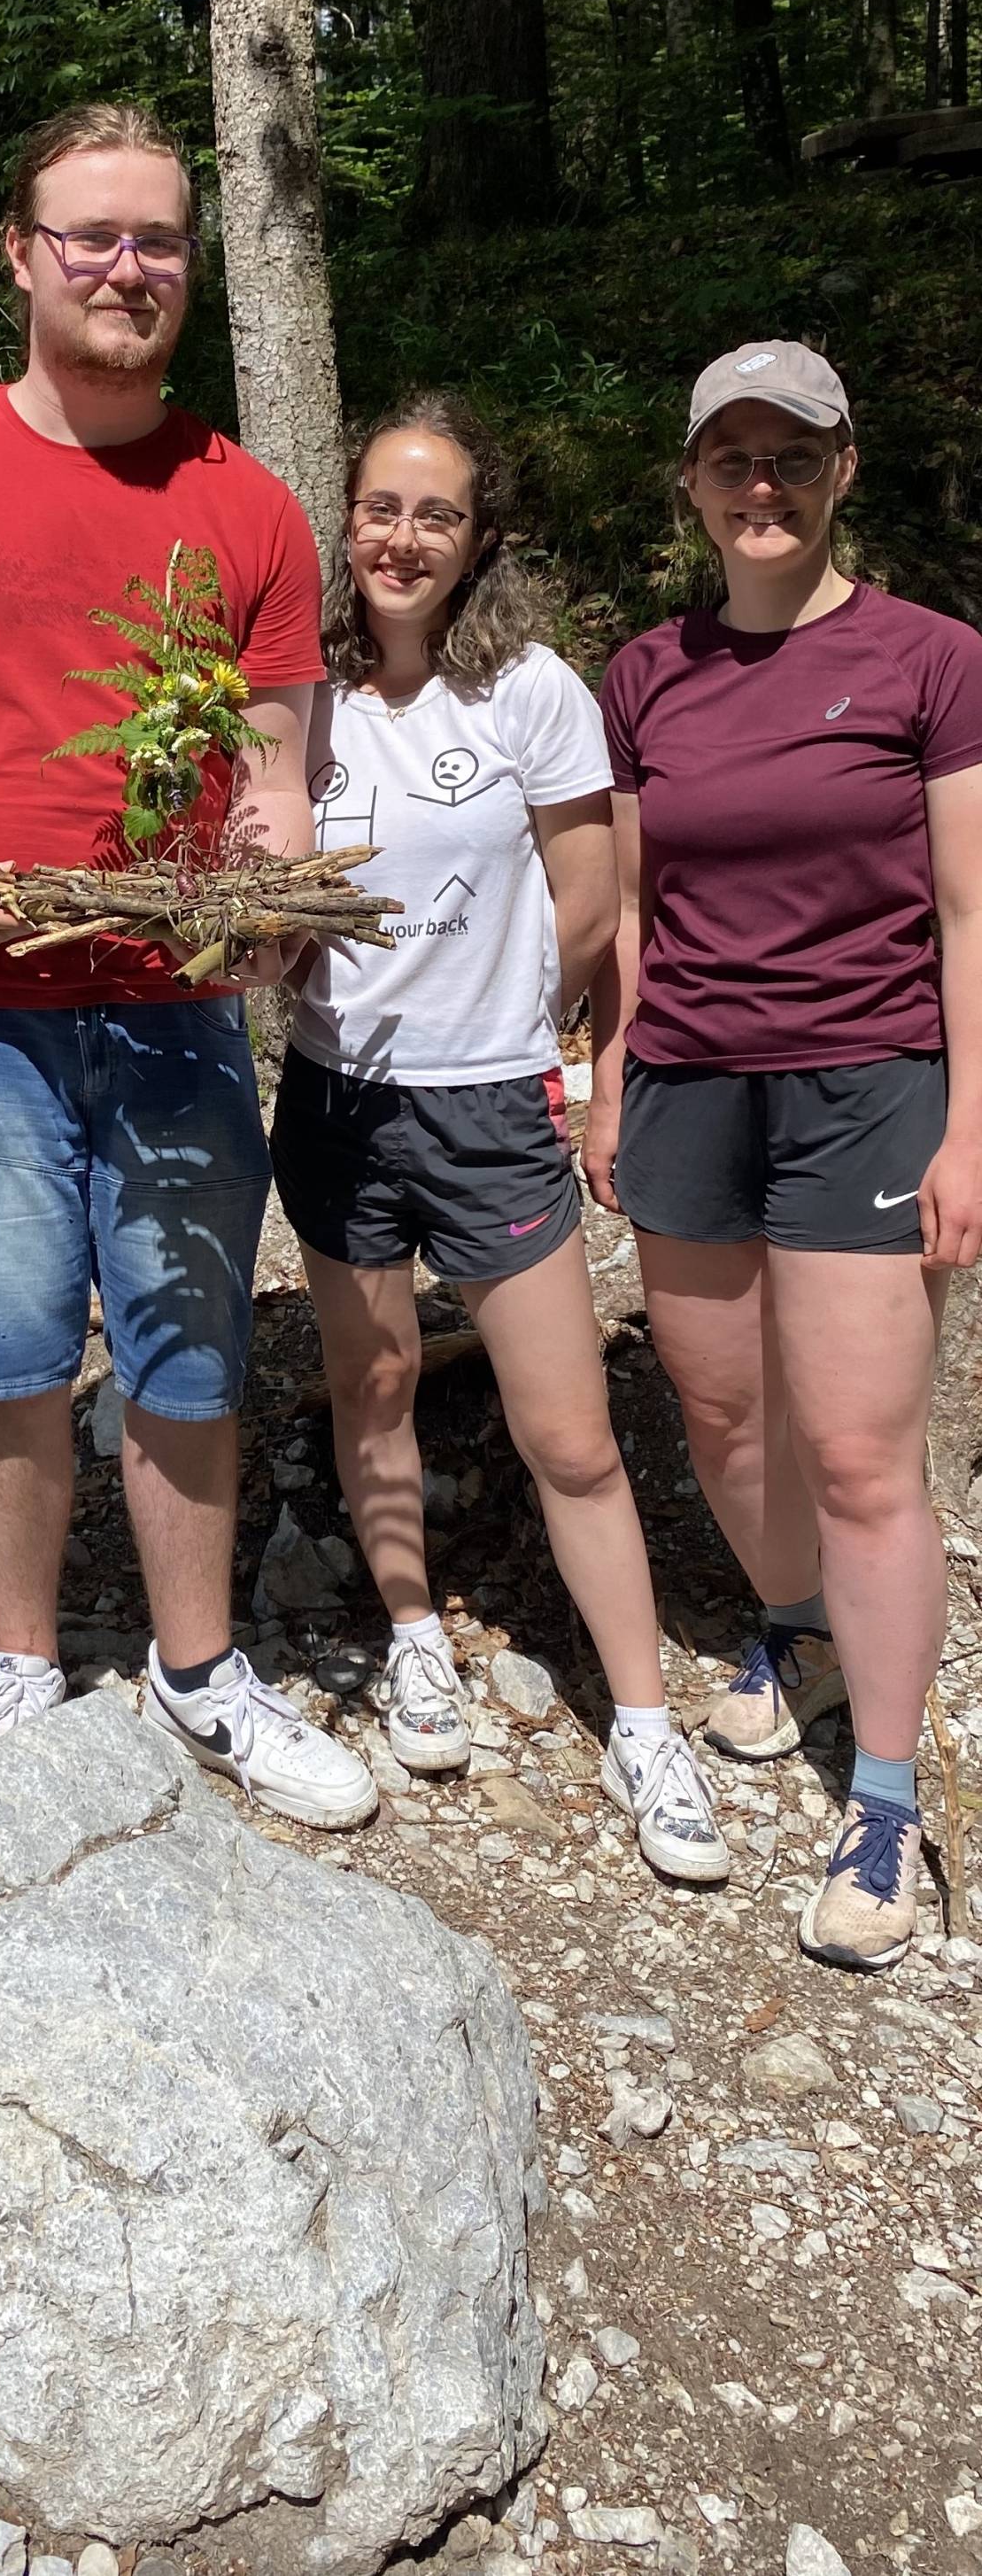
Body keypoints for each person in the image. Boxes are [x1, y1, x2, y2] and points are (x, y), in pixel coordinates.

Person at [0, 99, 376, 1827]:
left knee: (190, 1336)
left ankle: (198, 1671)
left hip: (172, 993)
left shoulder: (246, 505)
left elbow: (276, 771)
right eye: (94, 236)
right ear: (22, 254)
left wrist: (270, 897)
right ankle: (24, 1660)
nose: (130, 268)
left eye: (160, 241)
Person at [269, 392, 728, 1883]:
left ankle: (643, 1715)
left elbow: (588, 901)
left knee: (569, 1430)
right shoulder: (301, 695)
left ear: (479, 541)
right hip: (338, 1096)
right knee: (376, 1376)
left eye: (436, 516)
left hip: (488, 1102)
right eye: (381, 509)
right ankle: (411, 1635)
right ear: (347, 522)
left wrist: (535, 1043)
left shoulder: (531, 690)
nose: (402, 539)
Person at [586, 340, 982, 1969]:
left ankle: (886, 1803)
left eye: (792, 458)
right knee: (725, 1409)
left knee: (866, 1453)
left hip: (870, 1084)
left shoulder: (930, 658)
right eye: (732, 457)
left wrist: (974, 1117)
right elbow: (626, 908)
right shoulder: (643, 673)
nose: (762, 486)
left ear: (842, 473)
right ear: (691, 480)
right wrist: (609, 1077)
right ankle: (800, 1629)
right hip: (685, 1081)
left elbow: (971, 911)